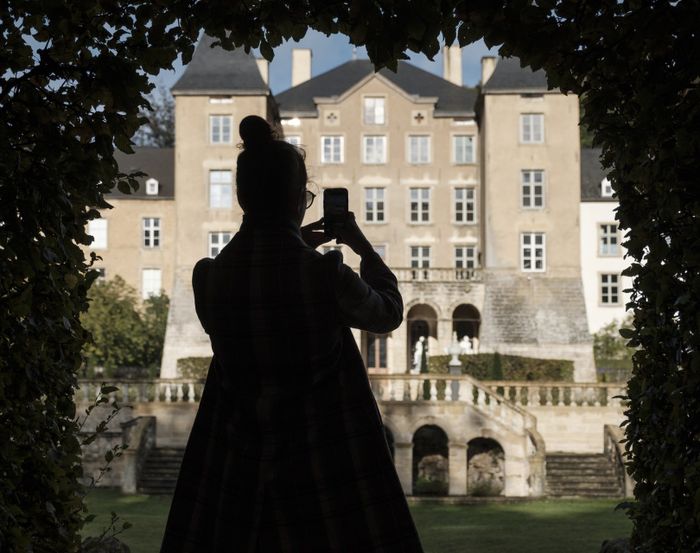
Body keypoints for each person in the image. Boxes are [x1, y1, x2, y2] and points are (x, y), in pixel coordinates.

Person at [160, 115, 425, 553]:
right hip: (324, 463)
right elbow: (389, 314)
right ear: (298, 200)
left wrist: (290, 241)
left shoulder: (210, 279)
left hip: (236, 470)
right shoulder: (323, 274)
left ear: (243, 197)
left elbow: (254, 275)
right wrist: (364, 249)